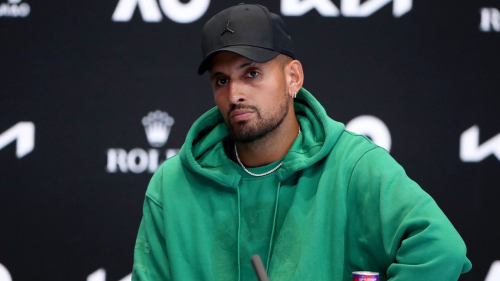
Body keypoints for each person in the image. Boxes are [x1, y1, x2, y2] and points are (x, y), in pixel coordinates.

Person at [132, 4, 471, 280]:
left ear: (292, 77)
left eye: (251, 73)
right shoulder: (172, 185)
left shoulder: (353, 166)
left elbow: (441, 251)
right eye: (222, 80)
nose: (235, 94)